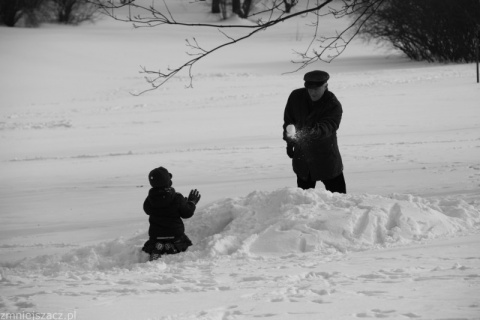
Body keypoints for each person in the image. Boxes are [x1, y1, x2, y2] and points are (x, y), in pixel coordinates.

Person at [283, 70, 346, 193]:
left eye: (317, 88)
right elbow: (288, 122)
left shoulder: (333, 104)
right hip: (303, 160)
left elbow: (329, 126)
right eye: (309, 88)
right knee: (304, 201)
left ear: (326, 86)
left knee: (340, 200)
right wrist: (290, 141)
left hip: (326, 159)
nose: (312, 92)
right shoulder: (296, 97)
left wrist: (311, 132)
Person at [141, 166, 201, 261]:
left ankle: (157, 247)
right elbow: (187, 213)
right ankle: (171, 246)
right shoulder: (177, 198)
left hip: (156, 235)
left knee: (155, 242)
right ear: (168, 181)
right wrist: (191, 202)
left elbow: (147, 210)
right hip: (175, 235)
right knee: (181, 242)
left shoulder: (150, 200)